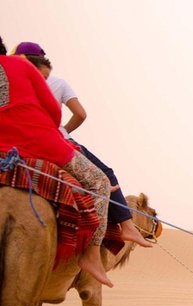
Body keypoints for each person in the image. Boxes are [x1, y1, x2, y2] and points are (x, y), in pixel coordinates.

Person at [11, 41, 152, 248]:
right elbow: (80, 114)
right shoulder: (55, 82)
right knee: (104, 178)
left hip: (13, 142)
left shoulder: (11, 79)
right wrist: (64, 131)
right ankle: (110, 236)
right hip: (52, 140)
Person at [0, 36, 112, 287]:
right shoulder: (21, 66)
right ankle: (91, 255)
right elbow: (52, 110)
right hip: (38, 140)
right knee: (100, 183)